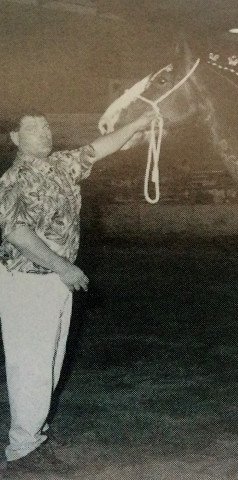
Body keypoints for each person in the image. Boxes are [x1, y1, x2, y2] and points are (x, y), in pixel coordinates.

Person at [0, 109, 155, 475]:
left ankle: (33, 434)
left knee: (49, 363)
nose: (45, 133)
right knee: (30, 365)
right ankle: (22, 448)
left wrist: (136, 125)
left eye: (47, 126)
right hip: (27, 280)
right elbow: (16, 234)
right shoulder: (12, 181)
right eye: (34, 128)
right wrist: (64, 267)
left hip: (55, 280)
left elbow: (98, 149)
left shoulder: (61, 165)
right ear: (15, 139)